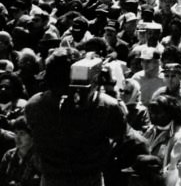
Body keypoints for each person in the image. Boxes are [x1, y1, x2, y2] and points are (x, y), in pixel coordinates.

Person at [25, 49, 127, 186]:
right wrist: (109, 89)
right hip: (89, 180)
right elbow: (119, 133)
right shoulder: (105, 106)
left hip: (51, 179)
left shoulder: (35, 104)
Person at [0, 116, 40, 186]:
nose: (17, 138)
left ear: (32, 136)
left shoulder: (39, 159)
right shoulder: (9, 155)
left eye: (22, 133)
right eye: (16, 133)